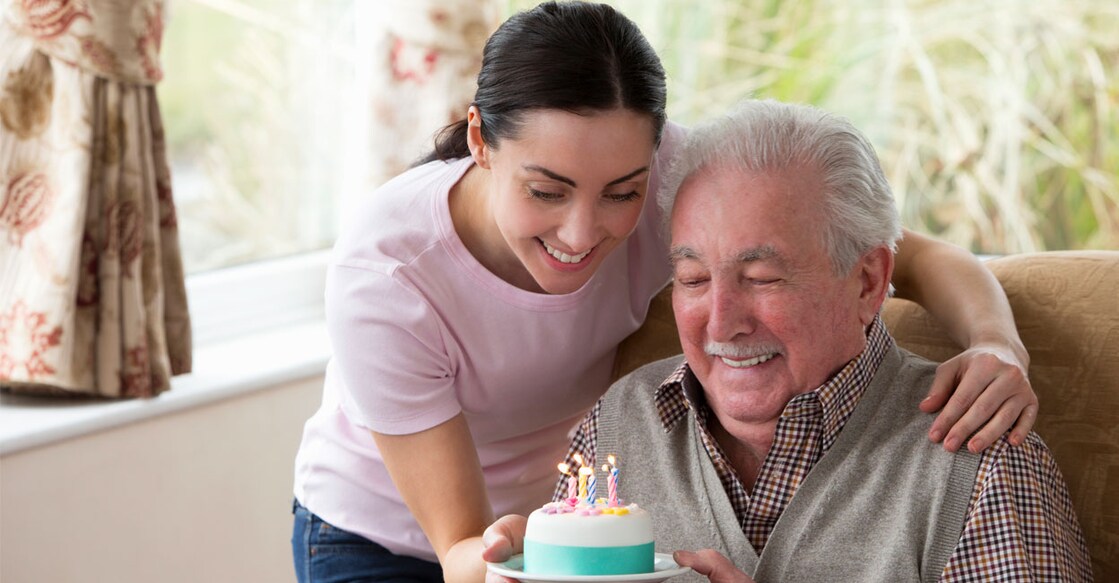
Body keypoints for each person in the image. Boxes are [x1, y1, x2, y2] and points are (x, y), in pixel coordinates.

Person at [292, 3, 1039, 582]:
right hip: (387, 533)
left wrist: (995, 344)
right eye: (546, 190)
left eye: (621, 191)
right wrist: (515, 556)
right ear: (480, 140)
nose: (583, 233)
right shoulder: (386, 274)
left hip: (564, 518)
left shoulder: (679, 180)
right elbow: (462, 544)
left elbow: (912, 255)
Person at [482, 99, 1091, 582]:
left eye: (762, 278)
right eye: (692, 278)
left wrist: (998, 340)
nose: (720, 324)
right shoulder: (619, 424)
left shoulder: (977, 457)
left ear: (868, 281)